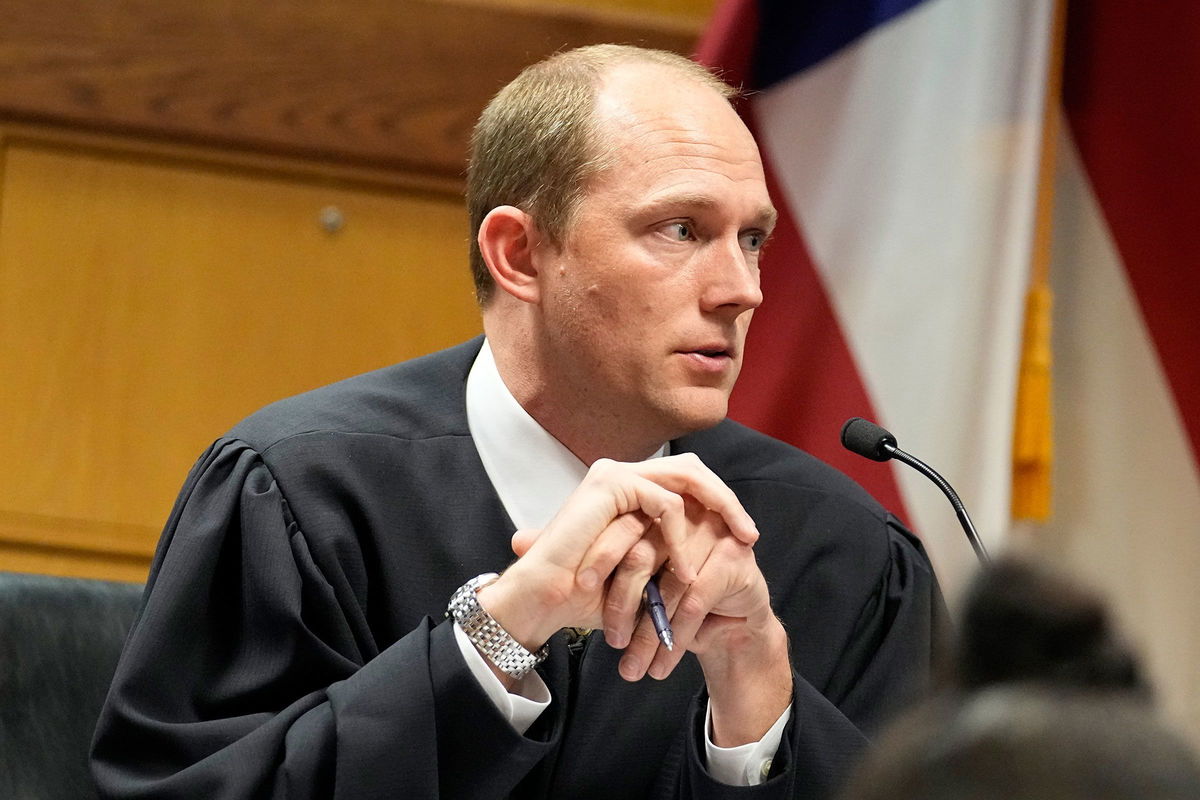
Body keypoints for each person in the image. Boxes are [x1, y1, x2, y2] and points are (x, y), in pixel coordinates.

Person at [91, 45, 942, 799]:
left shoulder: (839, 553)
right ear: (520, 254)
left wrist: (760, 709)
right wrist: (494, 641)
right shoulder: (302, 496)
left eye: (751, 239)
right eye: (682, 229)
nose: (741, 289)